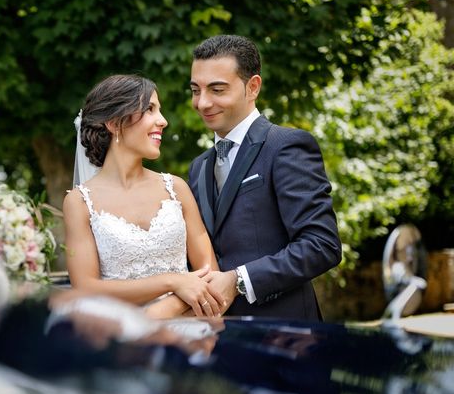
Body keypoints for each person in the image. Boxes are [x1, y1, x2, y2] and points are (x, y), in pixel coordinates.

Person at [188, 35, 342, 320]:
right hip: (219, 342)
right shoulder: (198, 167)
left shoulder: (286, 146)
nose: (203, 102)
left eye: (217, 89)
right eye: (196, 90)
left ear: (252, 87)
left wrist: (238, 281)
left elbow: (322, 245)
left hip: (287, 340)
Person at [63, 74, 226, 319]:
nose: (163, 121)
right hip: (121, 342)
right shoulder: (79, 202)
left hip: (191, 335)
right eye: (149, 109)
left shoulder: (176, 188)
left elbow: (210, 277)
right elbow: (86, 288)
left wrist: (156, 314)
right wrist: (172, 281)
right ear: (114, 122)